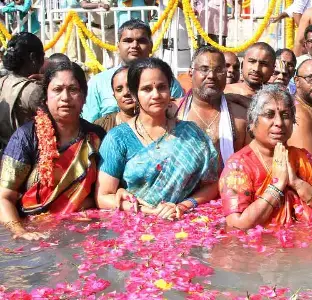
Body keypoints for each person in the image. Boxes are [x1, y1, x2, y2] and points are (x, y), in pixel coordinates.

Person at [96, 58, 219, 219]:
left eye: (162, 87)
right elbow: (103, 196)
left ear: (170, 90)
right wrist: (149, 211)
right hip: (133, 230)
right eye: (146, 89)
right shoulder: (118, 139)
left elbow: (213, 185)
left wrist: (183, 206)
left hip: (184, 226)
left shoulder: (192, 134)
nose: (156, 95)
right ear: (134, 94)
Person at [0, 62, 106, 240]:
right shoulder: (26, 137)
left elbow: (104, 191)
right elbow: (4, 197)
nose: (65, 97)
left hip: (84, 230)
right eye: (57, 89)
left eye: (73, 89)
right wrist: (21, 232)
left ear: (84, 96)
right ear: (46, 97)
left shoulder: (96, 136)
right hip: (35, 231)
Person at [219, 84, 312, 229]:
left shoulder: (302, 158)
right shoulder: (238, 167)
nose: (279, 123)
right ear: (252, 122)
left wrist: (296, 182)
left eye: (285, 116)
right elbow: (237, 226)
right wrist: (277, 186)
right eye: (269, 115)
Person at [82, 19, 184, 123]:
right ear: (118, 46)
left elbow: (180, 118)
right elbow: (89, 124)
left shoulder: (167, 82)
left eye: (141, 41)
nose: (134, 45)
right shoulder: (98, 83)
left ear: (151, 46)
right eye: (128, 40)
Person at [174, 46, 250, 166]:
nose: (211, 76)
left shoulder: (241, 117)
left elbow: (250, 164)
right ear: (191, 72)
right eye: (204, 69)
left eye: (218, 70)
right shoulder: (174, 110)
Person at [0, 33, 44, 153]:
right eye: (43, 57)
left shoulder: (2, 82)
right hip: (27, 157)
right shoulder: (33, 90)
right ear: (33, 58)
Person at [94, 66, 135, 132]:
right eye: (119, 90)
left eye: (130, 86)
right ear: (114, 96)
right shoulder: (101, 126)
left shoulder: (155, 122)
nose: (126, 93)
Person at [80, 0, 116, 67]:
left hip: (111, 30)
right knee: (94, 61)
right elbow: (84, 5)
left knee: (116, 60)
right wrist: (99, 4)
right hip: (94, 30)